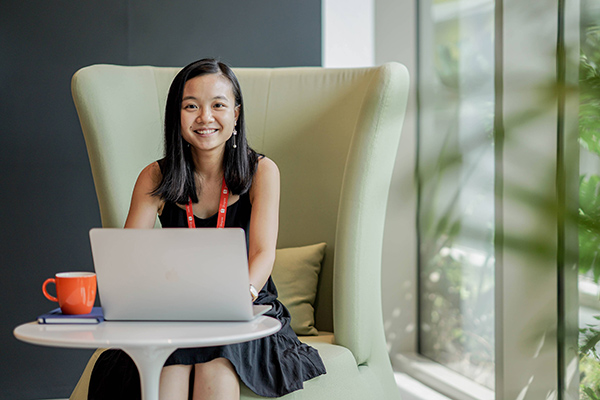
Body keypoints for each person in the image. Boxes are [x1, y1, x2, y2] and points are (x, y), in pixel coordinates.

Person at [87, 58, 326, 400]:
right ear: (176, 115)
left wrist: (237, 299)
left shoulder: (262, 172)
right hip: (176, 310)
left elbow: (262, 253)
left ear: (236, 115)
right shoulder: (154, 177)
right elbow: (128, 261)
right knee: (171, 362)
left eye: (218, 105)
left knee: (216, 363)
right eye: (191, 106)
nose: (205, 117)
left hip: (247, 306)